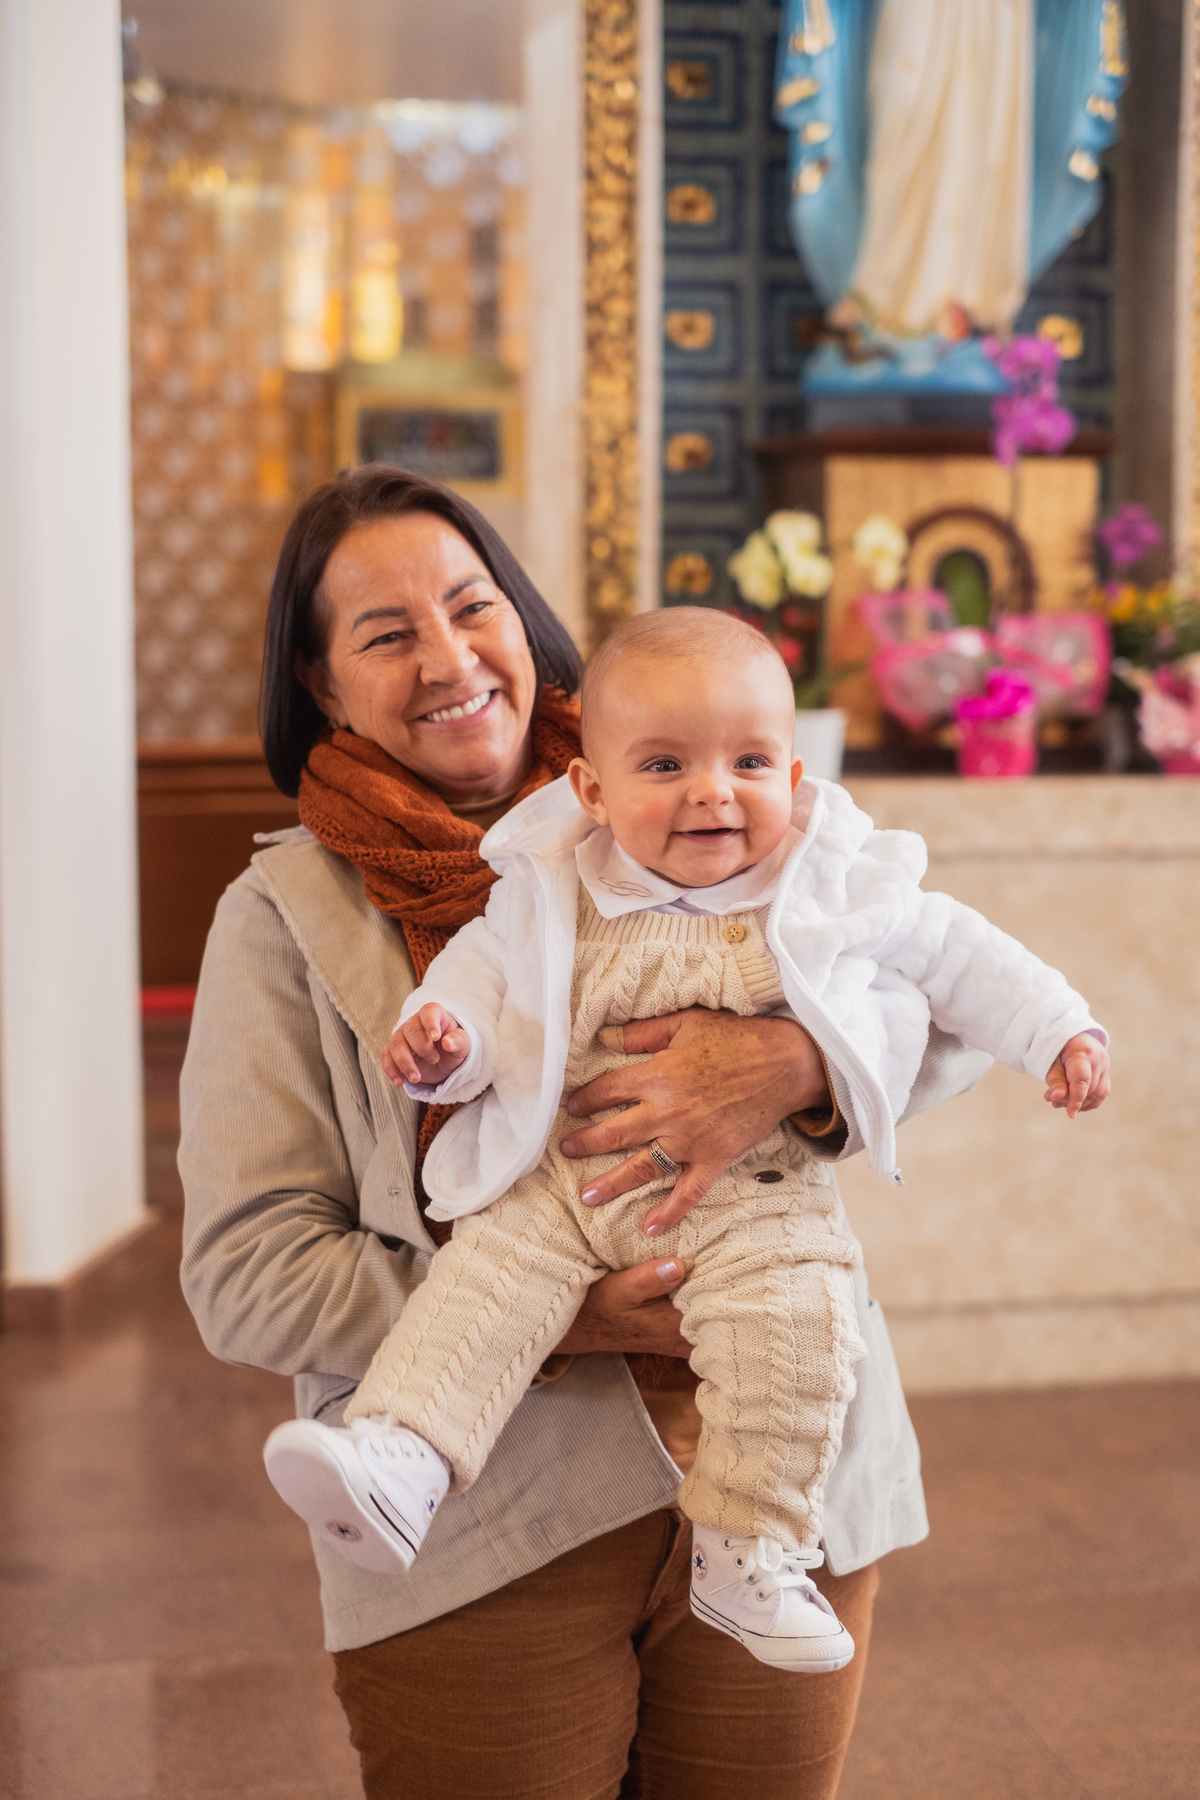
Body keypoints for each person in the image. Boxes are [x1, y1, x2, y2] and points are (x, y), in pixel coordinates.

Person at [180, 464, 1001, 1799]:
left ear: (524, 617)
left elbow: (952, 1008)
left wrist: (791, 1061)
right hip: (485, 1528)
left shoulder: (706, 795)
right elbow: (245, 1273)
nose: (450, 660)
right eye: (387, 636)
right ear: (323, 687)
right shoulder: (283, 920)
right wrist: (576, 1312)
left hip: (794, 1470)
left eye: (470, 606)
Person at [260, 606, 1109, 1681]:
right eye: (666, 764)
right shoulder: (552, 887)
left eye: (749, 761)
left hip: (753, 1196)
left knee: (798, 1325)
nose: (714, 790)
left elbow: (959, 954)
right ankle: (404, 1452)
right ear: (593, 790)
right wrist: (445, 1042)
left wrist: (1057, 1029)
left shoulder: (827, 882)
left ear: (794, 775)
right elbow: (480, 984)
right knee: (485, 1281)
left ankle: (750, 1546)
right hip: (571, 1182)